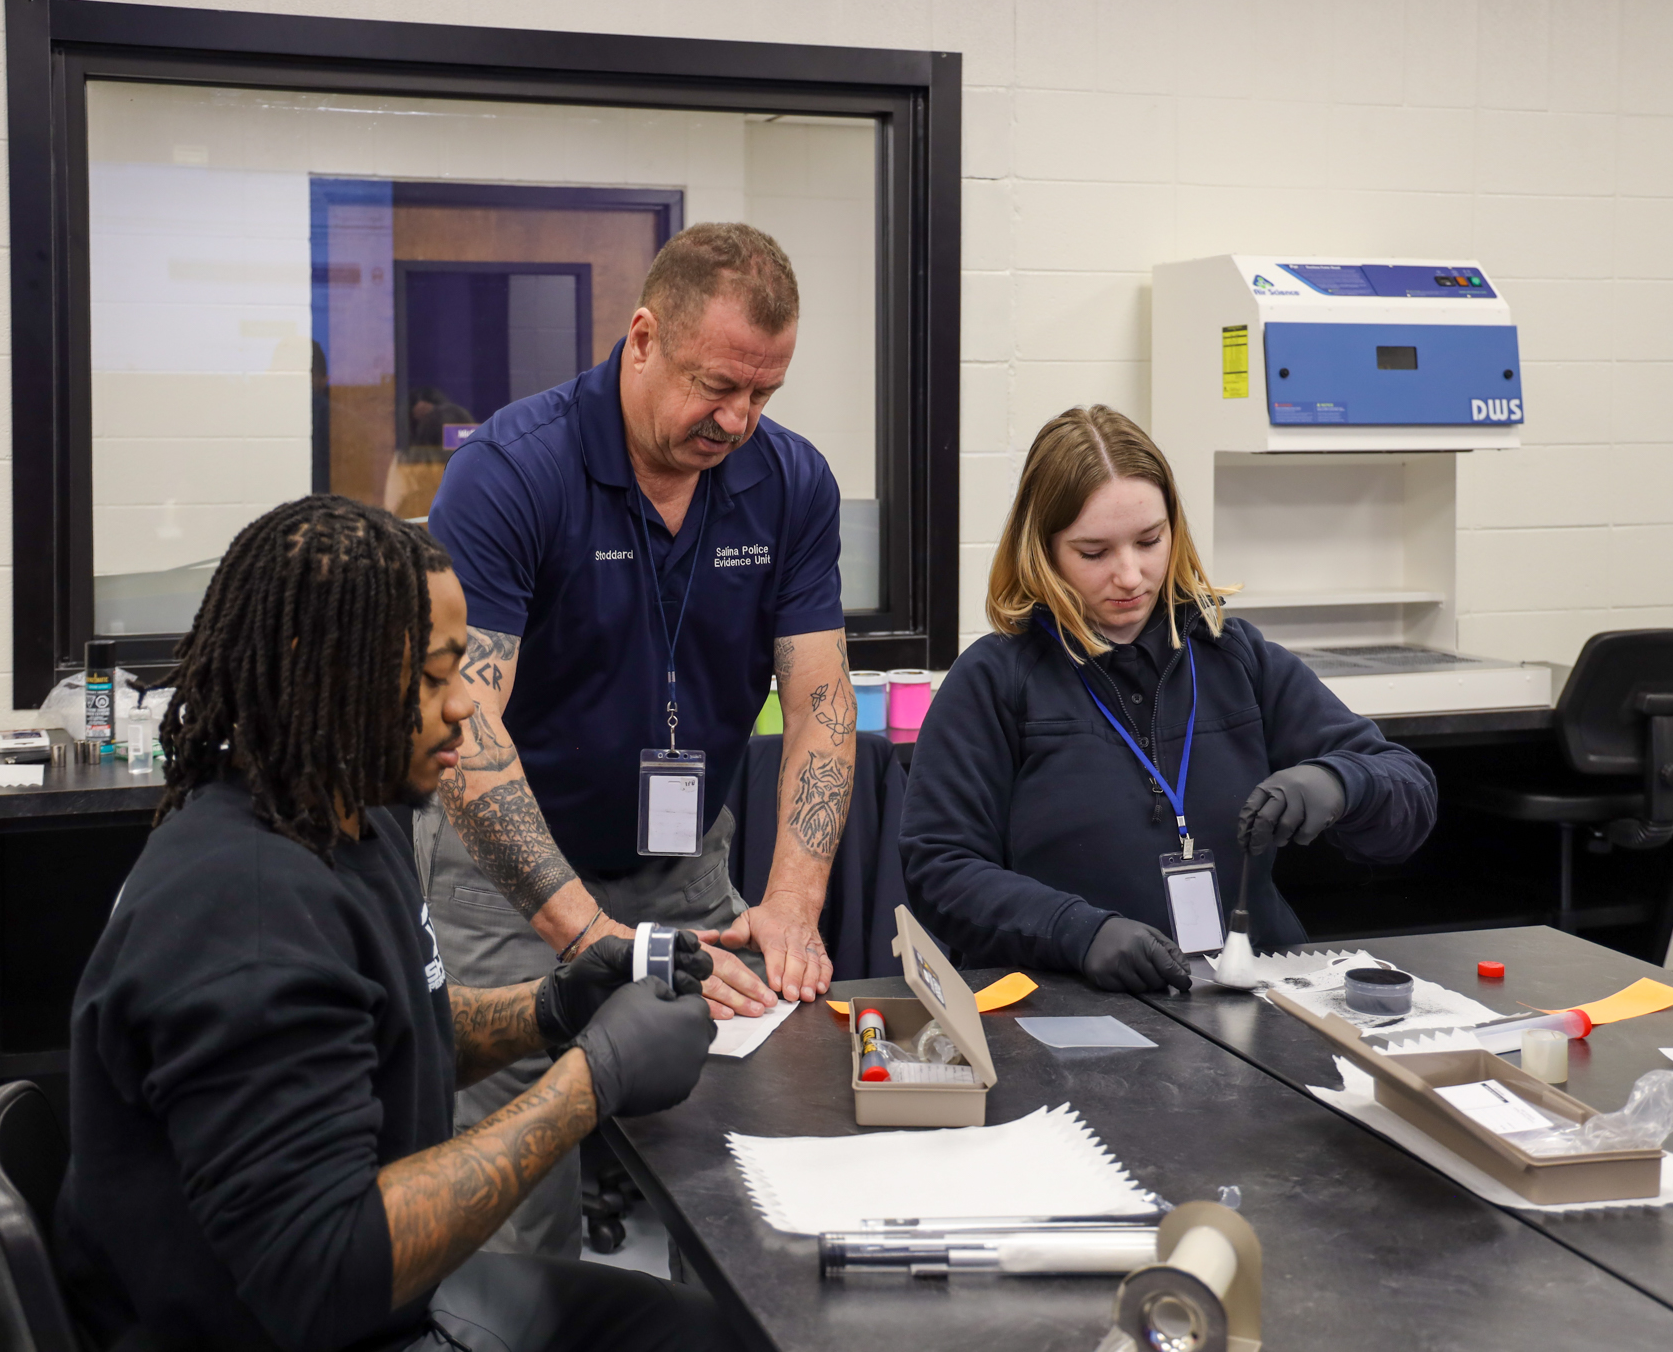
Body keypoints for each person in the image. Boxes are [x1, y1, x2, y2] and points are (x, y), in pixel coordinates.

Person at [55, 495, 728, 1352]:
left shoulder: (346, 813)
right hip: (287, 1323)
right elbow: (324, 1273)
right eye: (434, 676)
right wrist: (587, 1083)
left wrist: (553, 1008)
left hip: (355, 1303)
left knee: (706, 1331)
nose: (465, 708)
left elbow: (387, 1027)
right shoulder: (247, 915)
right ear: (318, 667)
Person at [422, 222, 855, 1255]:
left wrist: (790, 907)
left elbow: (820, 701)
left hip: (681, 867)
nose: (738, 419)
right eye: (717, 386)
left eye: (763, 394)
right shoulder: (512, 471)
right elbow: (466, 722)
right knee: (512, 1206)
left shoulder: (790, 483)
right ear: (644, 337)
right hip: (510, 883)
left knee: (737, 1178)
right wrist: (582, 938)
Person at [900, 406, 1437, 991]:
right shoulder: (996, 680)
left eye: (1149, 541)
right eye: (1094, 552)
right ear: (1044, 550)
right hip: (1073, 1003)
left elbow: (1406, 790)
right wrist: (1078, 932)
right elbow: (941, 869)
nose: (1130, 575)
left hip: (1250, 995)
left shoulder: (1236, 658)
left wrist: (1341, 782)